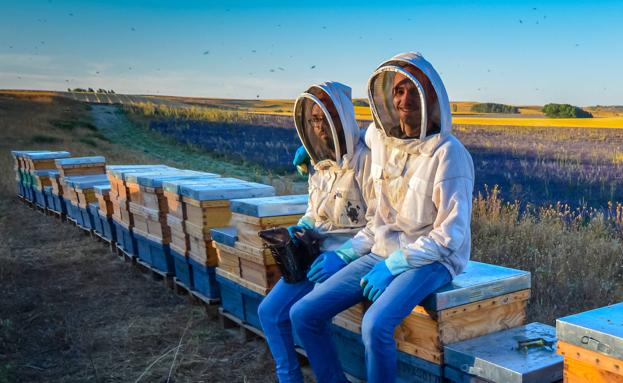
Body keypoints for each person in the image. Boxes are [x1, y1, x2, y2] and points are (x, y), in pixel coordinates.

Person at [289, 52, 475, 383]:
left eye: (413, 90)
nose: (404, 99)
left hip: (433, 259)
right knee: (303, 314)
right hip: (382, 250)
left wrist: (395, 265)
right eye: (398, 91)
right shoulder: (380, 141)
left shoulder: (449, 154)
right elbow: (350, 136)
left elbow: (451, 236)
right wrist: (346, 254)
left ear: (432, 96)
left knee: (375, 324)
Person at [258, 81, 375, 383]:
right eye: (315, 119)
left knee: (307, 317)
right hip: (317, 253)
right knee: (270, 313)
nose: (321, 126)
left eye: (329, 116)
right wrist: (304, 227)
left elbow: (381, 223)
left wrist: (345, 255)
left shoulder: (367, 159)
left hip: (354, 256)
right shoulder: (317, 162)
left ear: (344, 117)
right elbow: (316, 210)